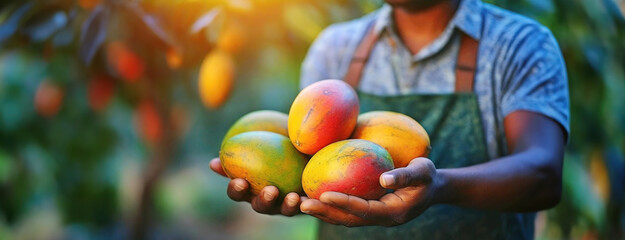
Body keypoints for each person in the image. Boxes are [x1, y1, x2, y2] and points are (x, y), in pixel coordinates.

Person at [210, 0, 569, 238]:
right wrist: (289, 195)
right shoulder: (335, 47)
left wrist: (440, 186)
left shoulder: (521, 44)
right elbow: (314, 170)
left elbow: (544, 175)